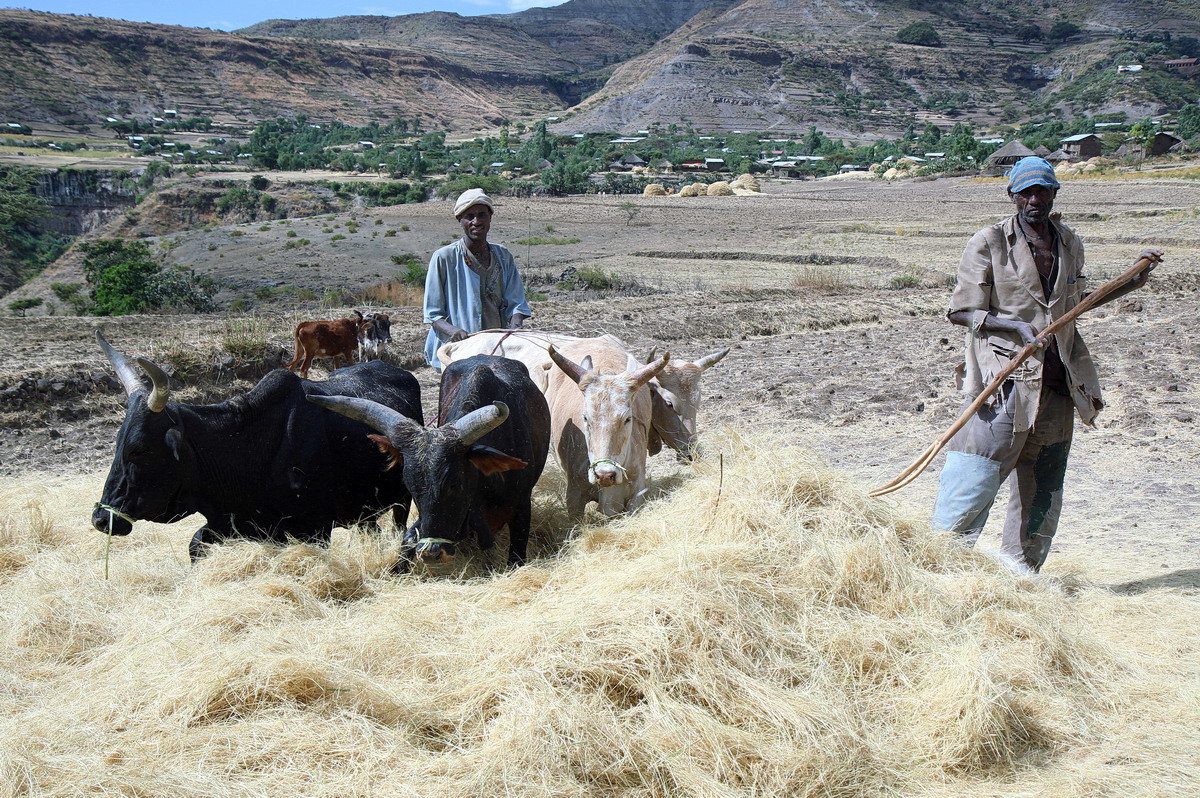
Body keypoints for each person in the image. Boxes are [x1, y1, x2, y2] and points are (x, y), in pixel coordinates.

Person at [931, 156, 1161, 571]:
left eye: (1043, 190)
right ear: (1013, 196)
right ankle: (942, 567)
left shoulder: (1069, 241)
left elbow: (1078, 305)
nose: (1035, 198)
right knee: (975, 478)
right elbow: (961, 311)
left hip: (1059, 383)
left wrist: (1132, 282)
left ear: (1055, 193)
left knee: (1042, 488)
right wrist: (1015, 328)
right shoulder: (989, 242)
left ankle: (1022, 578)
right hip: (1005, 380)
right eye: (1026, 192)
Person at [422, 188, 532, 370]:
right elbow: (433, 314)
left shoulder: (503, 255)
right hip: (458, 350)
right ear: (460, 220)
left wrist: (515, 327)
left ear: (490, 217)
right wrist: (455, 331)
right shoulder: (444, 258)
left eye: (482, 215)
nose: (476, 222)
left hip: (497, 346)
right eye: (469, 216)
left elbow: (517, 303)